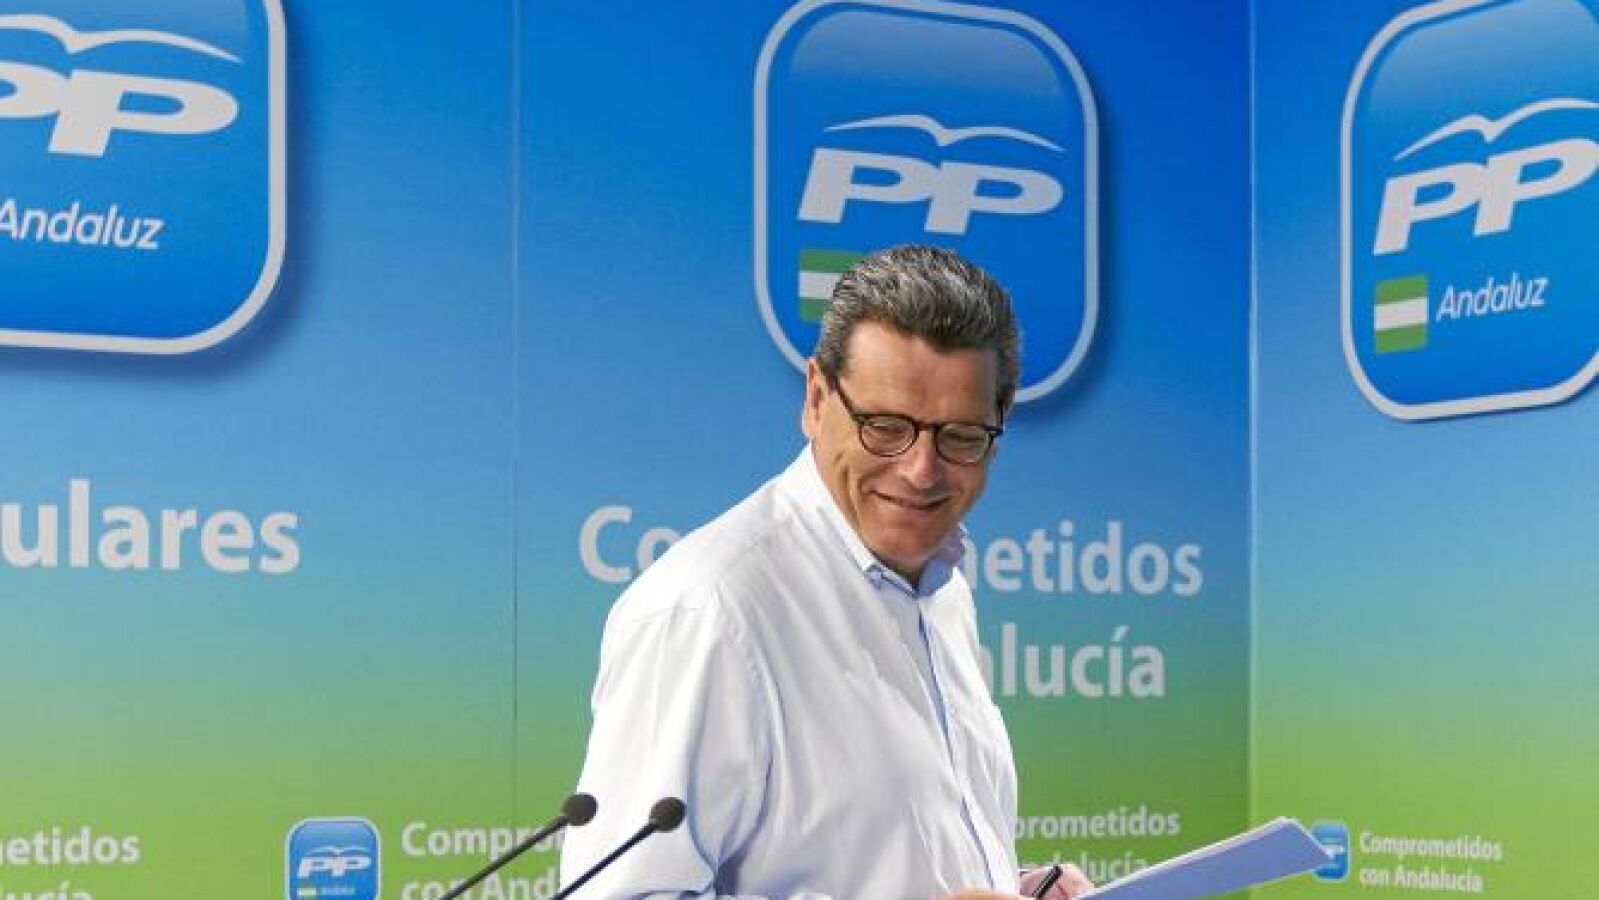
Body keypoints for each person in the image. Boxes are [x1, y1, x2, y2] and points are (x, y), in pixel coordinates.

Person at [560, 246, 1092, 899]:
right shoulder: (709, 610)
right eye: (885, 427)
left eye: (959, 436)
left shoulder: (939, 587)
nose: (920, 471)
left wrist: (1015, 887)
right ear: (816, 398)